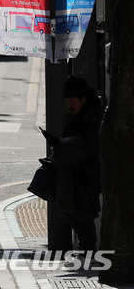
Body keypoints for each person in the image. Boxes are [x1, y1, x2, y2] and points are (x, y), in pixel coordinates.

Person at [42, 75, 103, 251]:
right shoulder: (75, 116)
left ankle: (88, 253)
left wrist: (63, 146)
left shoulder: (94, 116)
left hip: (85, 176)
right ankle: (87, 252)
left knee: (81, 216)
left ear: (84, 99)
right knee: (73, 215)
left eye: (72, 101)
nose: (69, 105)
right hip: (72, 176)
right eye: (67, 101)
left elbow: (90, 145)